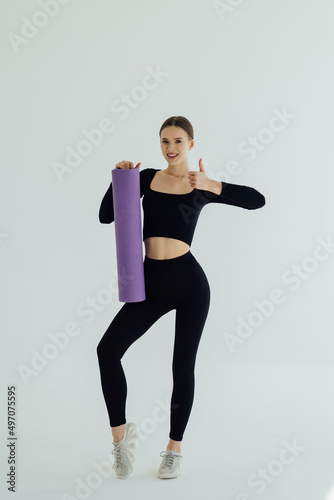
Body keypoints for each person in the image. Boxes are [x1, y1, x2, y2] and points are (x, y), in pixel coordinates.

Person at [96, 115, 266, 479]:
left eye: (177, 141)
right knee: (107, 351)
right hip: (149, 286)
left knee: (181, 367)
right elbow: (105, 216)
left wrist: (213, 184)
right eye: (164, 141)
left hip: (190, 285)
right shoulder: (146, 178)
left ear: (191, 144)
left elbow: (257, 201)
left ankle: (174, 450)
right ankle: (120, 441)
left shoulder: (198, 185)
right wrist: (121, 180)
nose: (170, 148)